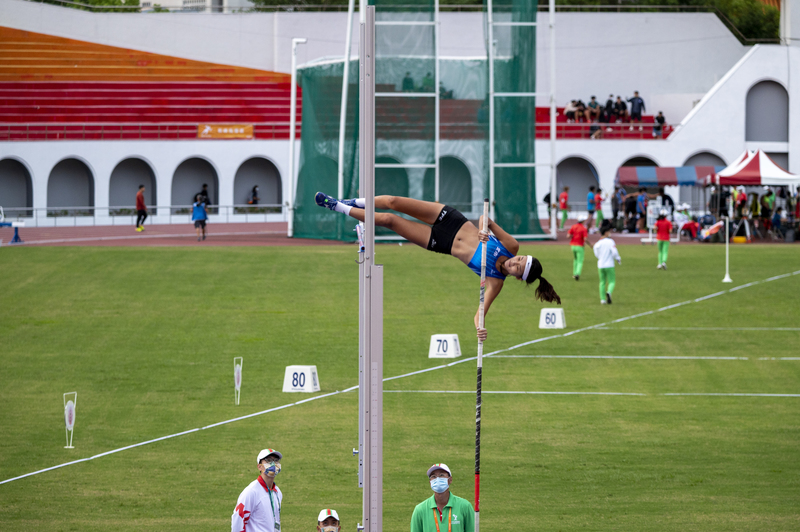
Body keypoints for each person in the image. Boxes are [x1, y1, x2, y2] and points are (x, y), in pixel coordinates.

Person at [315, 192, 561, 340]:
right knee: (392, 201)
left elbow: (479, 313)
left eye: (518, 267)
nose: (515, 262)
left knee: (390, 221)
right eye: (519, 259)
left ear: (518, 277)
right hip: (451, 219)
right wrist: (485, 229)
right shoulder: (512, 246)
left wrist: (479, 328)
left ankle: (337, 207)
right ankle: (352, 201)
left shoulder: (495, 281)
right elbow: (486, 218)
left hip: (441, 243)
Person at [410, 463, 474, 532]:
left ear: (450, 480)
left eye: (441, 475)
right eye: (433, 476)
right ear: (430, 482)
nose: (437, 479)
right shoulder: (420, 510)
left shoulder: (465, 506)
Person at [231, 449, 283, 532]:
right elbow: (238, 519)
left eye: (276, 460)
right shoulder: (251, 492)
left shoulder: (277, 492)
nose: (273, 464)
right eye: (268, 460)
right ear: (259, 466)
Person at [593, 220, 621, 305]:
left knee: (602, 282)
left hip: (600, 265)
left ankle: (602, 299)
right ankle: (609, 292)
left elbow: (596, 254)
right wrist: (618, 258)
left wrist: (600, 258)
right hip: (609, 264)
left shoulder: (597, 243)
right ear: (605, 233)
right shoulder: (610, 242)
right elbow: (614, 252)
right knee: (612, 281)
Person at [567, 213, 588, 280]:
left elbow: (568, 236)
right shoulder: (583, 228)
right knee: (580, 261)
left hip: (573, 245)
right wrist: (588, 244)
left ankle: (574, 273)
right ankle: (577, 273)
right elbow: (585, 239)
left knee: (575, 259)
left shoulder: (573, 226)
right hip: (580, 246)